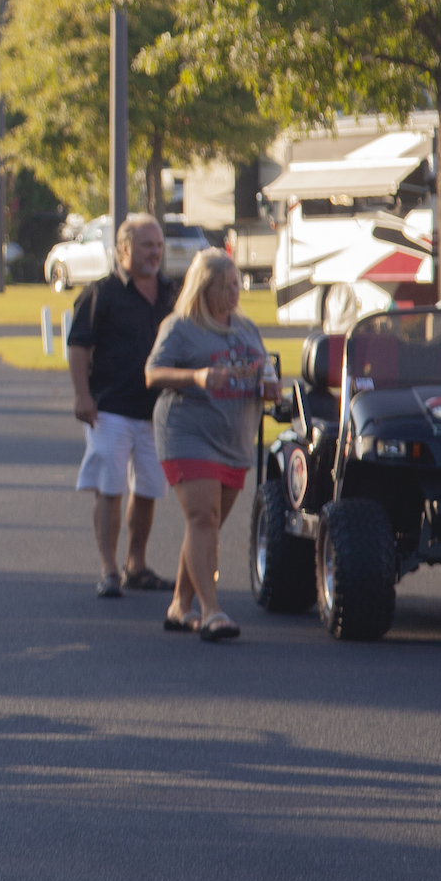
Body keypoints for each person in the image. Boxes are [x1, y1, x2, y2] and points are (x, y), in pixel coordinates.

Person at [144, 247, 276, 642]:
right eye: (226, 286)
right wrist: (197, 377)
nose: (235, 292)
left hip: (233, 437)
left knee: (209, 524)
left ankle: (179, 607)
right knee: (202, 519)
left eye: (237, 284)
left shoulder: (246, 327)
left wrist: (269, 383)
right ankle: (212, 610)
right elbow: (152, 374)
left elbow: (264, 367)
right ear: (204, 288)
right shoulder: (180, 327)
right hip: (188, 433)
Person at [67, 213, 178, 600]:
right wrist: (82, 395)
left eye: (159, 246)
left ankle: (137, 564)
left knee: (148, 488)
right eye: (148, 245)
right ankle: (108, 569)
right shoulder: (101, 293)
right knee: (109, 488)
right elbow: (79, 345)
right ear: (124, 249)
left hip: (157, 410)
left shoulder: (172, 294)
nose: (155, 253)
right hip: (109, 407)